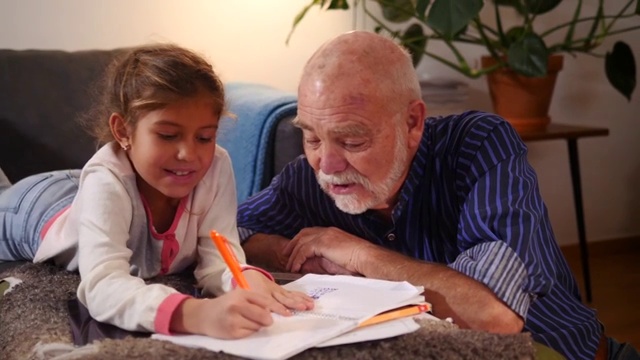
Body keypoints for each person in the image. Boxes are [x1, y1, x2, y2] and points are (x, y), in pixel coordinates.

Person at [237, 31, 638, 360]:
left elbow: (493, 318)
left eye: (352, 140)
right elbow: (228, 232)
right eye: (310, 137)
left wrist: (356, 254)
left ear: (412, 123)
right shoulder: (310, 177)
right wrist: (292, 250)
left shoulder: (479, 146)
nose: (326, 164)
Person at [0, 44, 313, 340]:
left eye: (204, 137)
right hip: (37, 206)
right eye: (167, 135)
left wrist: (242, 277)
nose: (188, 153)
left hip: (90, 188)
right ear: (123, 131)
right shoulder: (105, 181)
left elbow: (220, 256)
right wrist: (194, 314)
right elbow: (102, 285)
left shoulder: (216, 165)